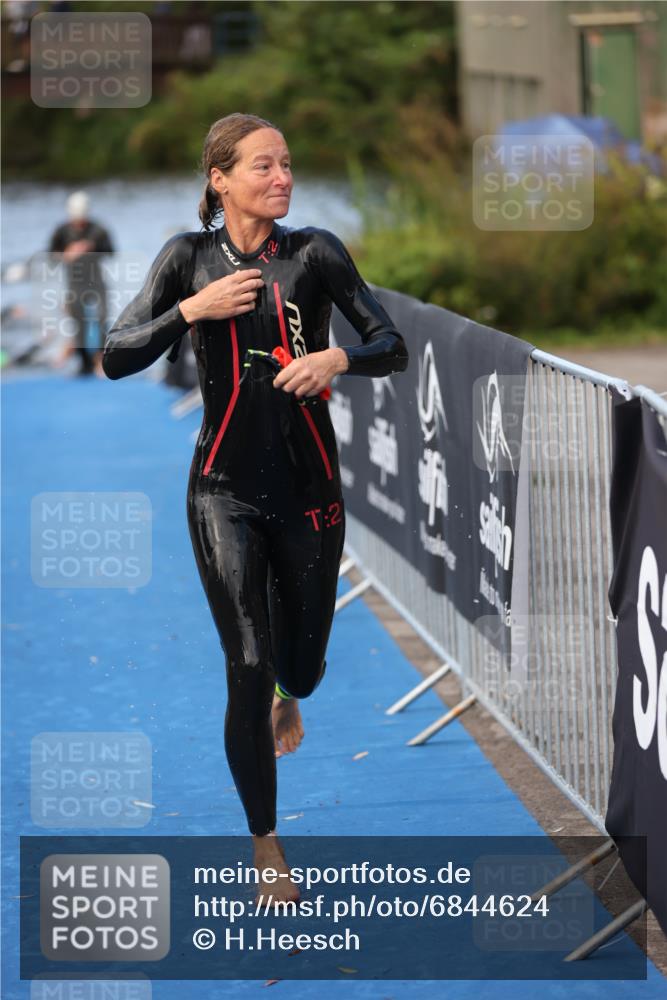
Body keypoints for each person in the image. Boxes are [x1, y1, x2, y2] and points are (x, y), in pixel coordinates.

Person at [102, 113, 408, 902]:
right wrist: (190, 312)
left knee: (298, 667)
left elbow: (391, 344)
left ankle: (287, 695)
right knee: (245, 661)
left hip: (310, 496)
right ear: (220, 178)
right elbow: (113, 355)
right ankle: (266, 842)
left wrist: (337, 355)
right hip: (221, 491)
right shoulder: (187, 258)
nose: (282, 178)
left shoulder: (314, 253)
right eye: (263, 166)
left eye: (286, 165)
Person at [48, 191, 114, 376]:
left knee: (102, 319)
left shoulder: (98, 230)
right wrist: (67, 253)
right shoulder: (61, 231)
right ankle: (84, 363)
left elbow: (111, 252)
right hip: (75, 284)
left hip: (96, 281)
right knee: (79, 324)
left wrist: (92, 248)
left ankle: (101, 361)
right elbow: (51, 256)